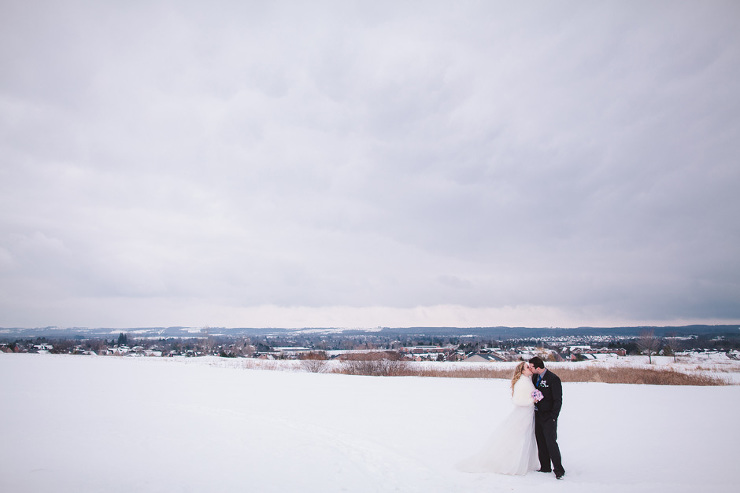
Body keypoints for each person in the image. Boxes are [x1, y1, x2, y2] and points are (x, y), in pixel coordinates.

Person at [458, 362, 539, 475]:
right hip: (522, 415)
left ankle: (526, 462)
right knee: (518, 439)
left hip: (528, 414)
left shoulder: (528, 380)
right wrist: (532, 401)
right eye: (527, 367)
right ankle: (513, 463)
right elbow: (517, 401)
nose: (530, 368)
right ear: (522, 371)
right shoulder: (522, 382)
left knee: (526, 439)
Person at [528, 357, 565, 480]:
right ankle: (545, 467)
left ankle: (558, 469)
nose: (530, 369)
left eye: (531, 367)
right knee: (541, 441)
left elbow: (558, 400)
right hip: (538, 415)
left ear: (538, 367)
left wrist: (553, 416)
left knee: (551, 442)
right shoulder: (534, 378)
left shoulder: (553, 379)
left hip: (549, 416)